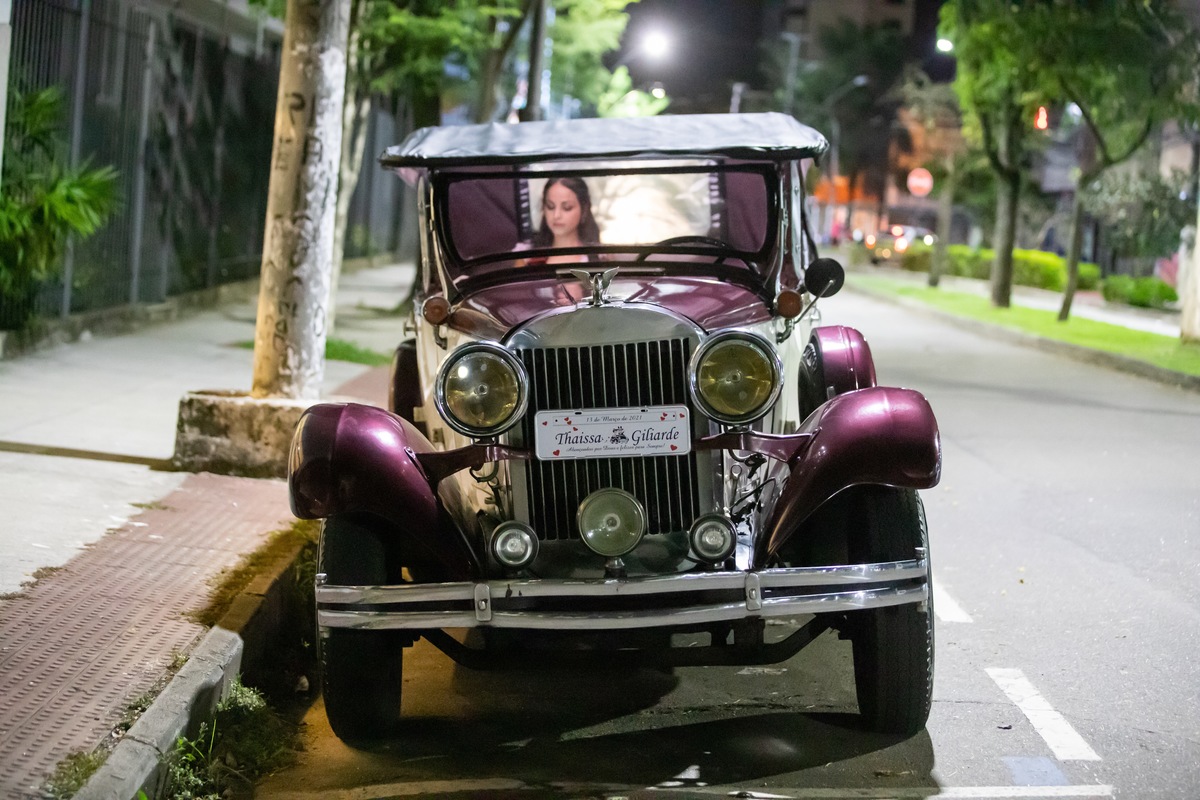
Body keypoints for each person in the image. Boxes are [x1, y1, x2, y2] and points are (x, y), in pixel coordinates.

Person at [521, 177, 601, 265]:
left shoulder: (599, 256)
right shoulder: (526, 256)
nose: (556, 215)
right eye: (550, 207)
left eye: (567, 208)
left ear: (584, 210)